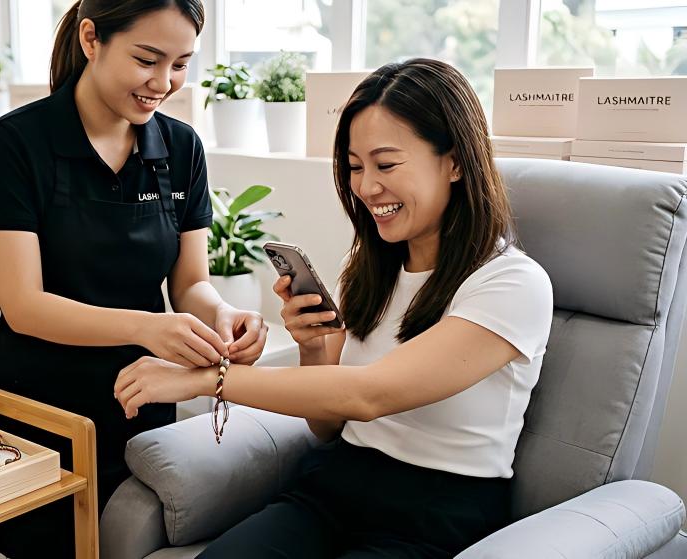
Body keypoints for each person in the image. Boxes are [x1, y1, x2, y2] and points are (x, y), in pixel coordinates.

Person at [115, 58, 554, 558]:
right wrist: (317, 348)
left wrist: (205, 378)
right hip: (335, 485)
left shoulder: (513, 283)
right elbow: (329, 425)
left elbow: (371, 394)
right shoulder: (371, 266)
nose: (366, 187)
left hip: (434, 511)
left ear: (454, 161)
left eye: (386, 165)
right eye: (355, 166)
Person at [0, 0, 268, 556]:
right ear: (91, 39)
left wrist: (222, 315)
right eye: (147, 59)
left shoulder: (182, 149)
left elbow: (189, 285)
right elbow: (24, 305)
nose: (164, 82)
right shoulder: (16, 144)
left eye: (181, 64)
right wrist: (147, 328)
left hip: (144, 400)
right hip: (42, 407)